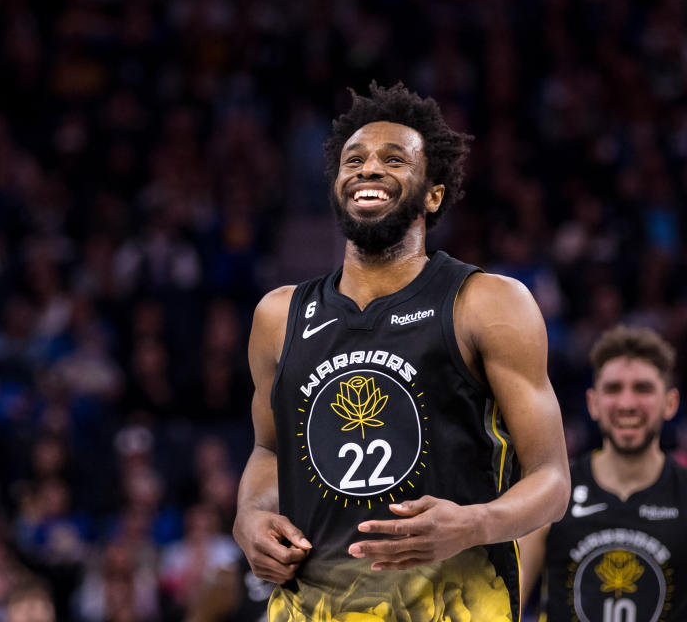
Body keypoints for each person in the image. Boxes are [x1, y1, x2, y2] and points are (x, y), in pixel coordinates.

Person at [232, 82, 570, 621]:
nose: (368, 169)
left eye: (394, 159)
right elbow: (270, 452)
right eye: (354, 159)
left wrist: (472, 524)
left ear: (433, 194)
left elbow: (552, 480)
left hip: (453, 606)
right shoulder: (278, 315)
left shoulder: (487, 302)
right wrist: (249, 516)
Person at [518, 326, 687, 622]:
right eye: (613, 389)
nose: (626, 404)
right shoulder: (551, 491)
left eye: (643, 389)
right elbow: (508, 600)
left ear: (671, 403)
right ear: (593, 403)